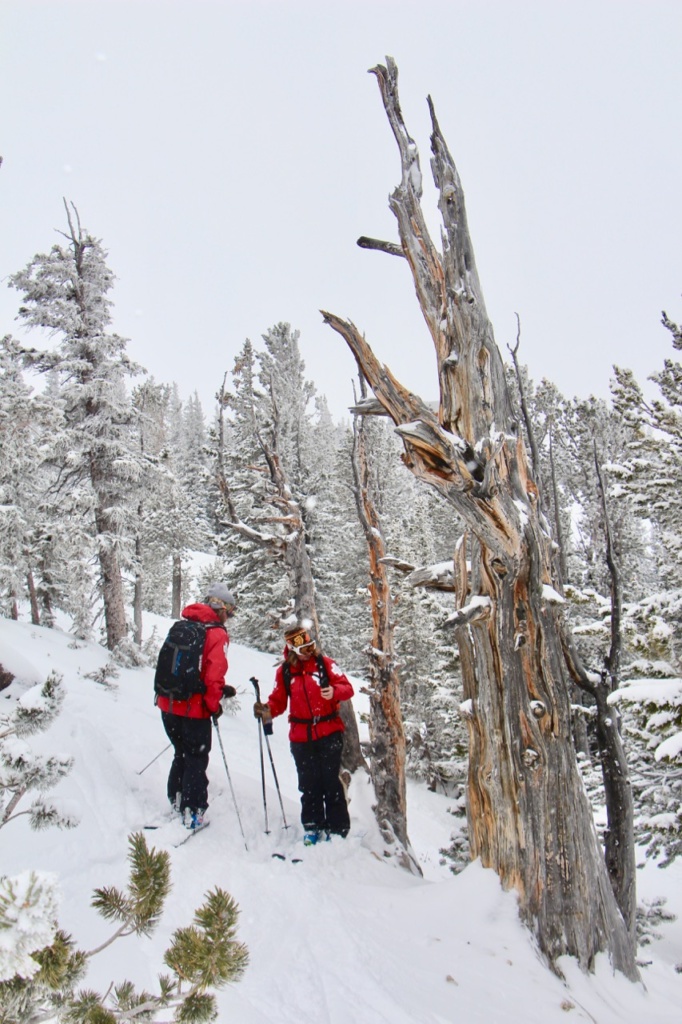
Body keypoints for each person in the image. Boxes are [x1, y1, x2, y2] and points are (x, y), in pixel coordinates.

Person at [254, 624, 354, 845]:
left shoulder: (325, 664)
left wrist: (334, 692)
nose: (309, 651)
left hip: (329, 732)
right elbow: (278, 701)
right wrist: (267, 710)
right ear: (292, 649)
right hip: (300, 737)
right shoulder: (285, 672)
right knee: (309, 784)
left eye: (310, 646)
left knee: (331, 783)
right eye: (304, 648)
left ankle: (338, 829)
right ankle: (312, 826)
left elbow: (347, 687)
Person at [155, 582, 237, 830]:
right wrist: (214, 705)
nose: (230, 616)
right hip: (193, 709)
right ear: (220, 608)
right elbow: (213, 676)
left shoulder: (184, 625)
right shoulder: (217, 633)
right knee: (196, 757)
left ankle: (177, 798)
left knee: (181, 752)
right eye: (230, 610)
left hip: (167, 703)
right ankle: (194, 810)